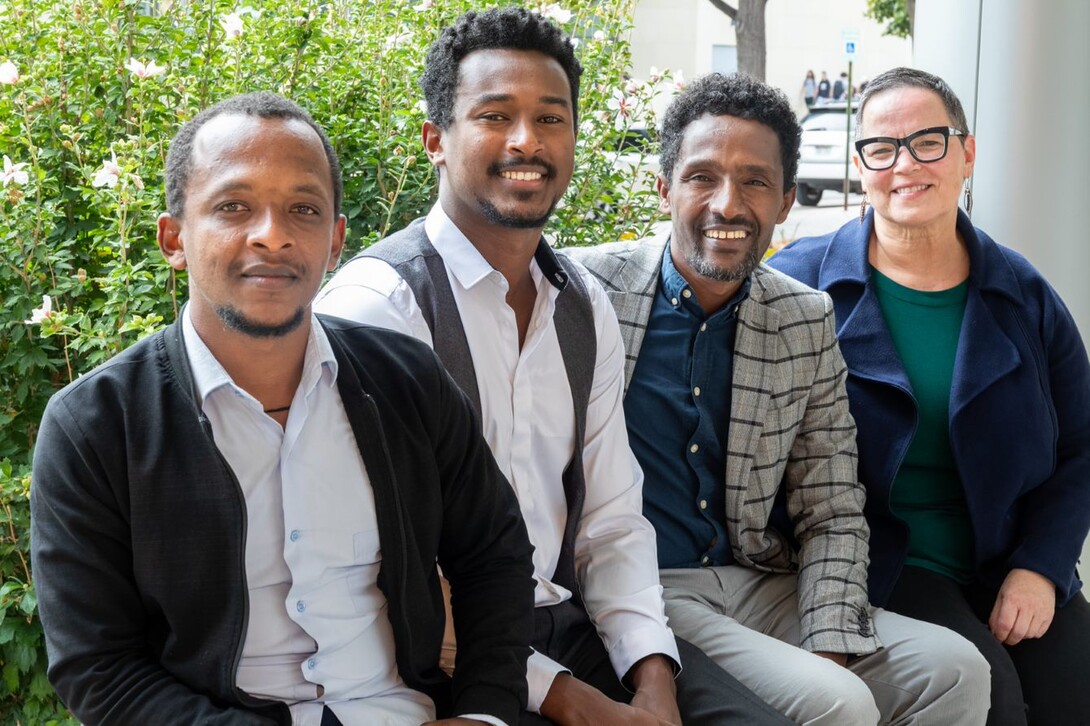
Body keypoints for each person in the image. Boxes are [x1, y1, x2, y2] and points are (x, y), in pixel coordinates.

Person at [315, 8, 788, 726]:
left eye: (551, 118)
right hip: (437, 651)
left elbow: (611, 522)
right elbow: (380, 568)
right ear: (436, 141)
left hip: (569, 624)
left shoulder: (580, 303)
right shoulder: (380, 307)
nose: (526, 142)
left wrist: (653, 680)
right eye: (495, 115)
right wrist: (577, 702)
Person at [30, 92, 537, 726]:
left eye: (303, 209)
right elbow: (99, 669)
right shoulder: (95, 426)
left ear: (334, 241)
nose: (272, 235)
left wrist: (485, 713)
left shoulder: (408, 382)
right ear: (173, 238)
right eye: (233, 206)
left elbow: (495, 555)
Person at [567, 72, 991, 725]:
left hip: (761, 580)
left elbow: (832, 506)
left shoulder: (803, 316)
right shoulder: (587, 289)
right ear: (664, 188)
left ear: (787, 199)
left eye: (756, 181)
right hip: (646, 586)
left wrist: (830, 643)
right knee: (838, 705)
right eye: (703, 177)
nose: (728, 204)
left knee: (953, 667)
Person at [769, 66, 1090, 725]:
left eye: (928, 141)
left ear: (967, 153)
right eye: (882, 148)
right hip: (882, 565)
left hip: (1008, 557)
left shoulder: (1022, 293)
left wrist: (1041, 567)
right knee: (995, 699)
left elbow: (1082, 445)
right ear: (862, 167)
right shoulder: (799, 285)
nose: (904, 164)